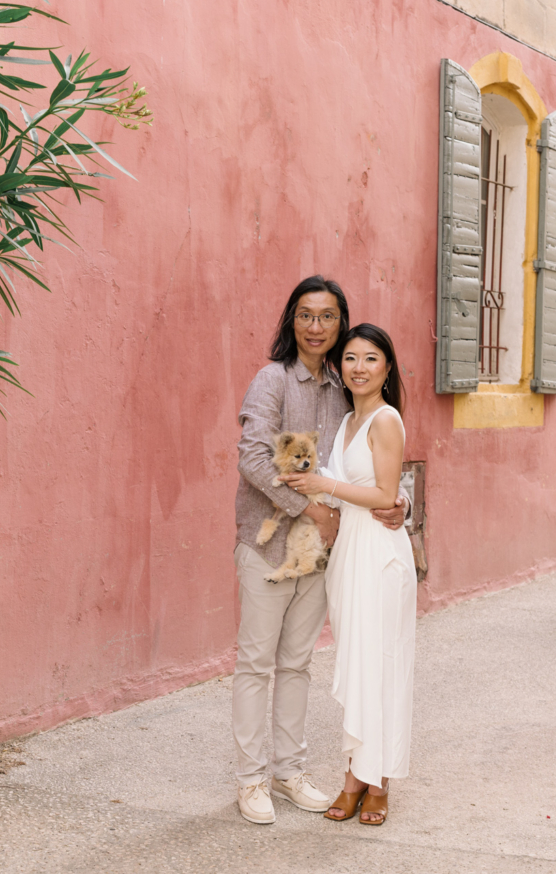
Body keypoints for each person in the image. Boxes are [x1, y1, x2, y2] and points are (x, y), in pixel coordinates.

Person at [233, 280, 407, 825]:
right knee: (256, 662)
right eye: (305, 316)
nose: (316, 327)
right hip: (269, 542)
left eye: (328, 317)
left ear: (340, 323)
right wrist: (309, 508)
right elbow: (254, 459)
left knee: (297, 664)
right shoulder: (272, 380)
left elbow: (366, 462)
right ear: (291, 321)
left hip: (325, 554)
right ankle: (251, 780)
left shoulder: (344, 387)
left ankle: (289, 772)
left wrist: (397, 499)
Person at [278, 323, 416, 825]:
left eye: (371, 358)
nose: (359, 367)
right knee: (359, 665)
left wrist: (325, 482)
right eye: (351, 358)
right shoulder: (345, 422)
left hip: (380, 554)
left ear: (387, 367)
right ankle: (356, 772)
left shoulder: (386, 419)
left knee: (380, 664)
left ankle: (376, 783)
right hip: (351, 554)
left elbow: (384, 494)